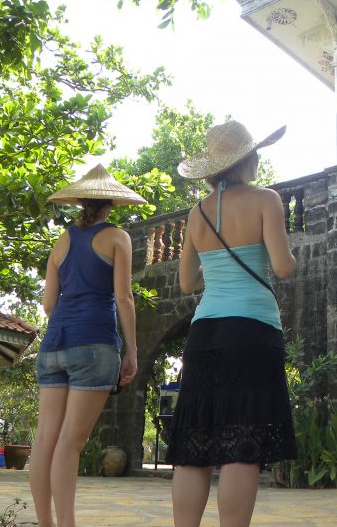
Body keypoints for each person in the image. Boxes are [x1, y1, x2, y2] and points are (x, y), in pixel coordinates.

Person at [167, 120, 297, 527]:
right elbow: (282, 267)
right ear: (248, 159)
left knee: (195, 441)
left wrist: (218, 267)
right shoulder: (266, 200)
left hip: (205, 333)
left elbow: (188, 282)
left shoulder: (196, 212)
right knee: (242, 442)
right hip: (253, 330)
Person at [30, 164, 145, 527]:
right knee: (70, 443)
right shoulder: (117, 237)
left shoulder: (60, 241)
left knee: (46, 439)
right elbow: (123, 298)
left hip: (54, 345)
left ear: (80, 201)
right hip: (93, 344)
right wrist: (132, 350)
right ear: (112, 202)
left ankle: (46, 524)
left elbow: (49, 304)